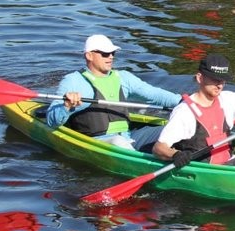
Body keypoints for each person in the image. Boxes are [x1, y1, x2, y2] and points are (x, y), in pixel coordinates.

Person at [46, 34, 181, 151]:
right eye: (105, 53)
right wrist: (67, 106)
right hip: (97, 141)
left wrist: (185, 101)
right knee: (118, 142)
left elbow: (154, 94)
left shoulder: (123, 77)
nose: (110, 57)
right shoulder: (74, 81)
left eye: (113, 53)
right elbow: (51, 121)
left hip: (129, 137)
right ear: (89, 55)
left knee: (176, 130)